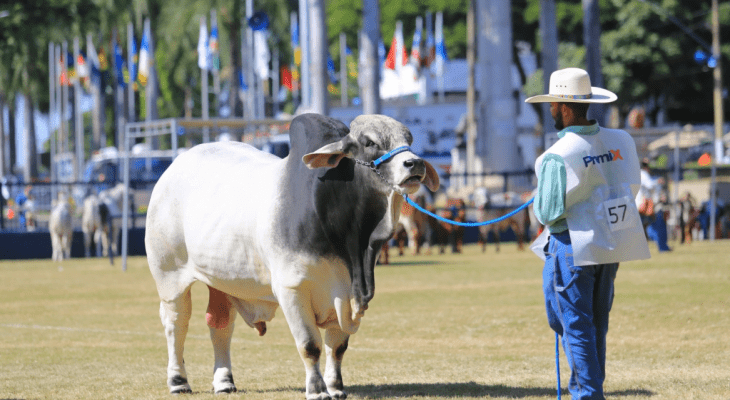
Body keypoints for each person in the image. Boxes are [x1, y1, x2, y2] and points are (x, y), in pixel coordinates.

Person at [526, 68, 651, 400]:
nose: (550, 110)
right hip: (610, 242)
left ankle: (588, 394)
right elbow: (632, 186)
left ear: (564, 107)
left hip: (570, 245)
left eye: (553, 104)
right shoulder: (621, 140)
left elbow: (548, 213)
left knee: (574, 324)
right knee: (596, 322)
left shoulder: (557, 155)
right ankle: (590, 388)